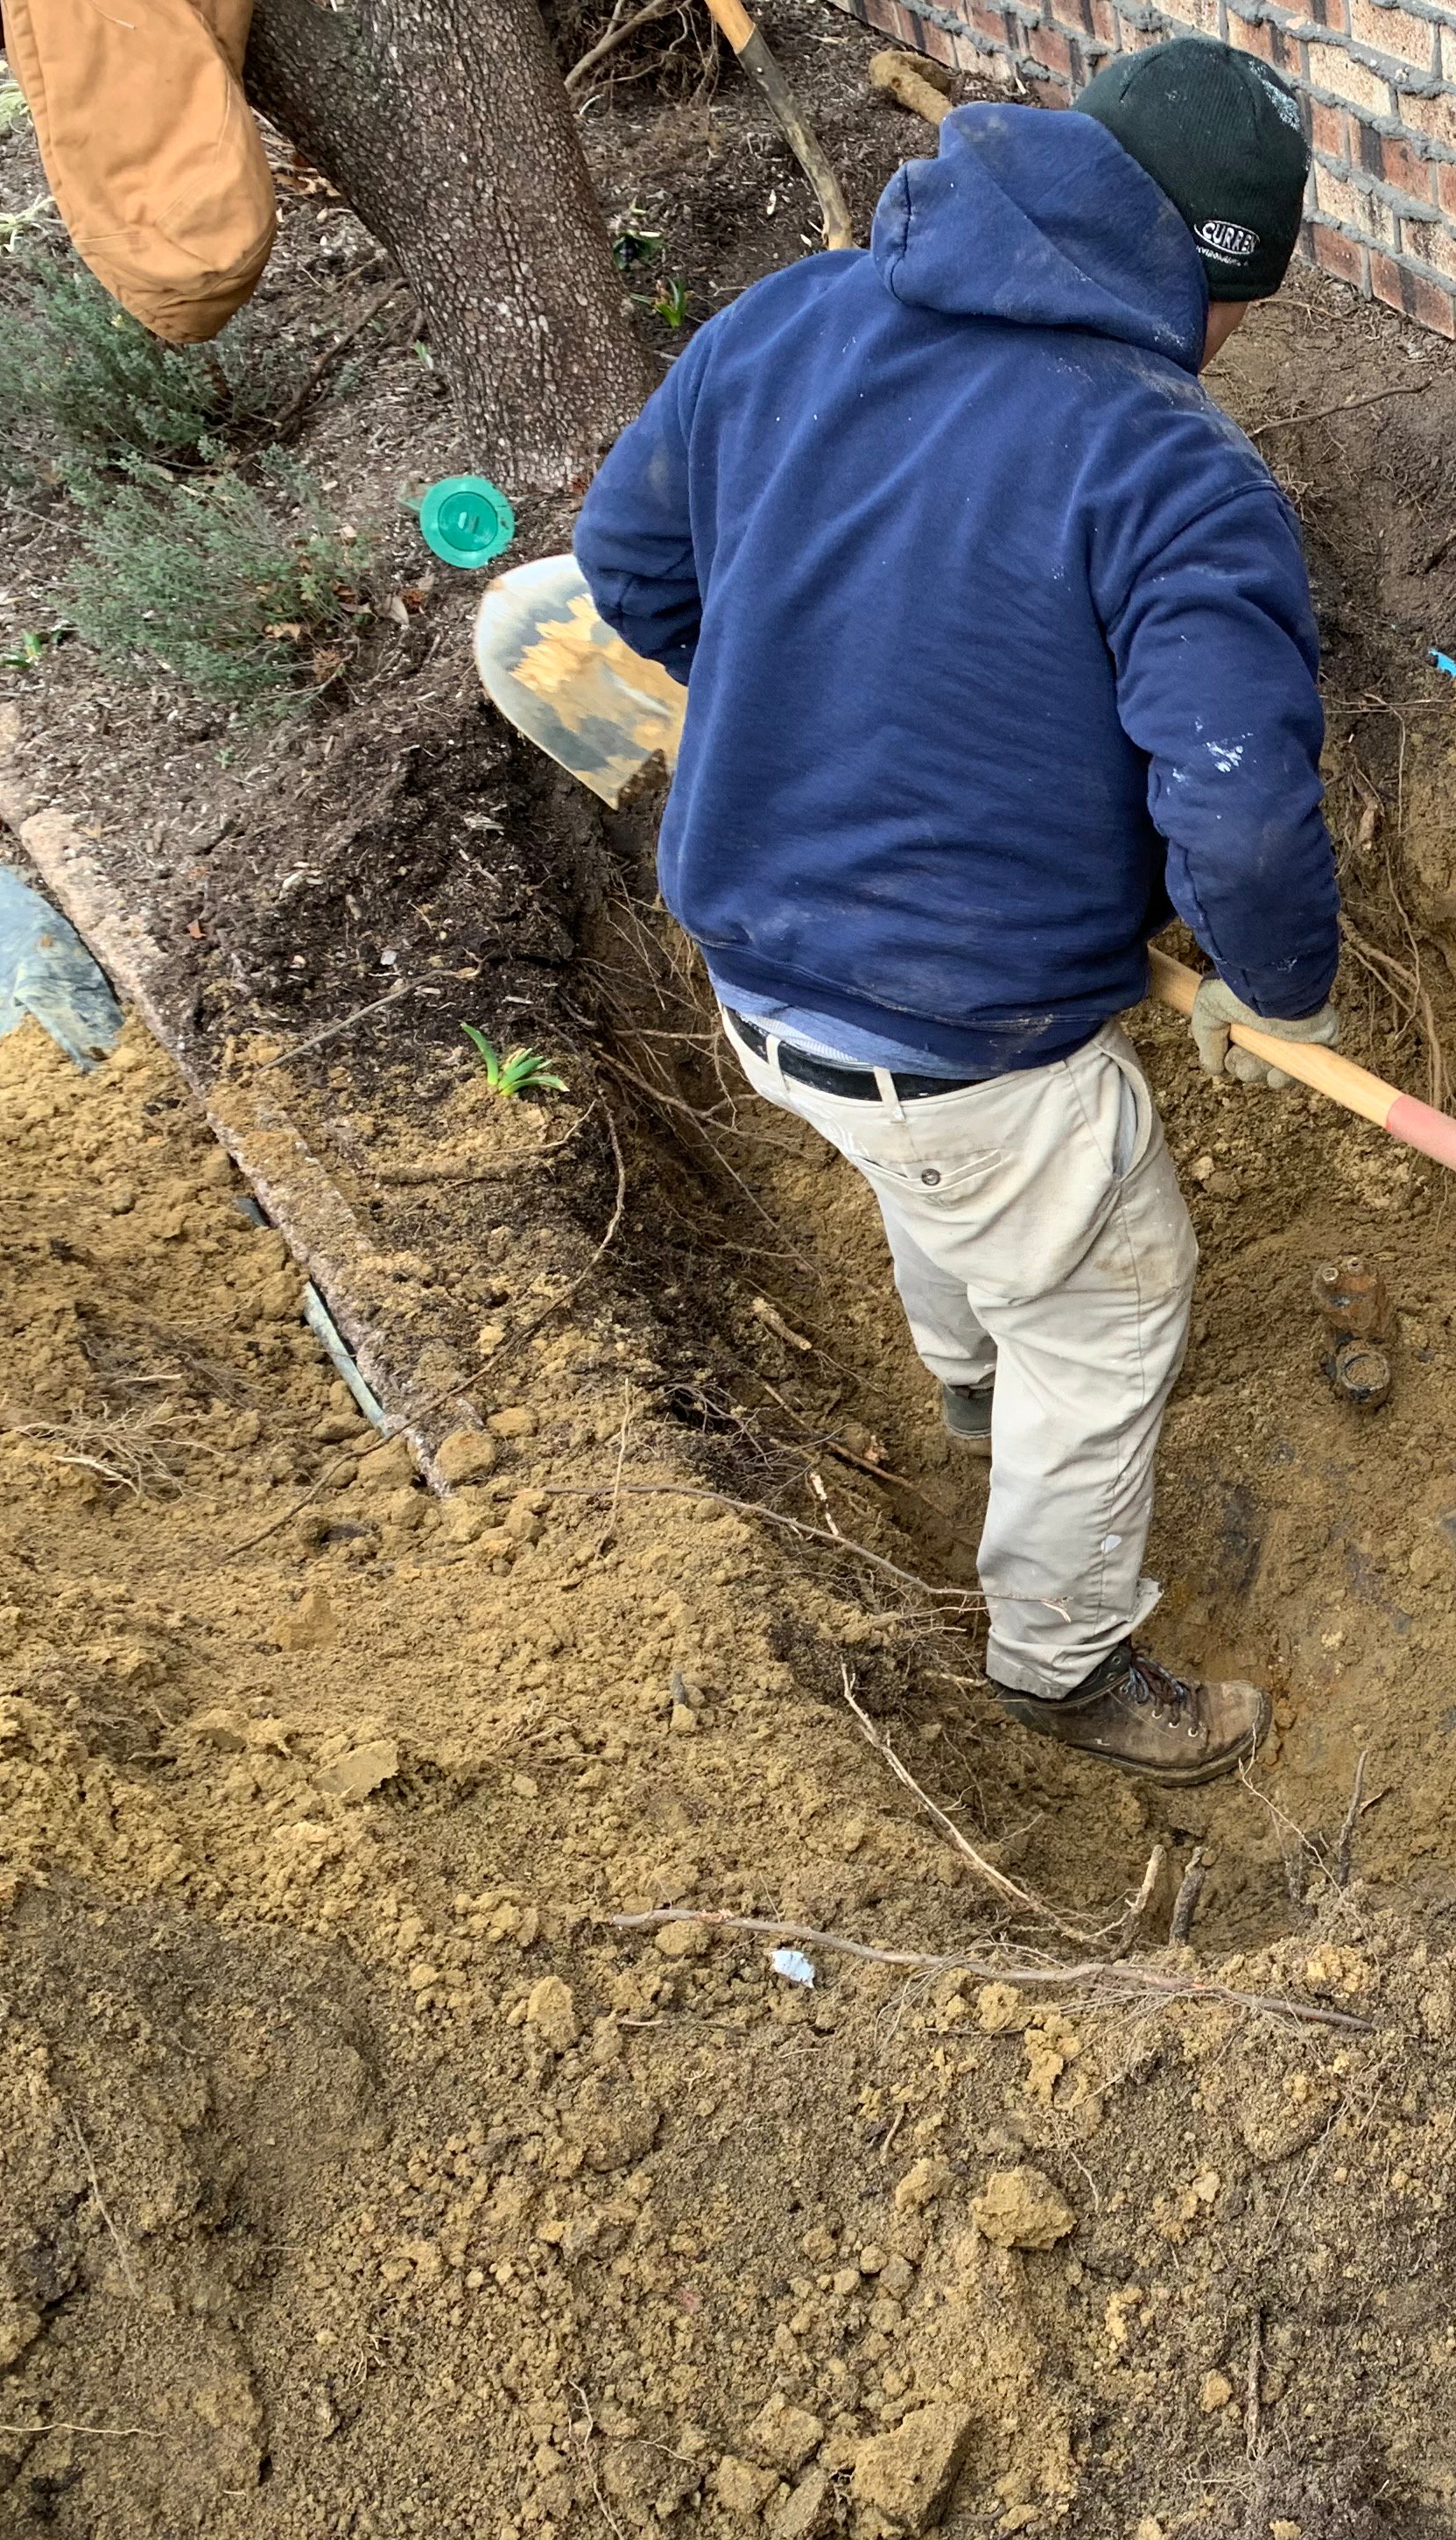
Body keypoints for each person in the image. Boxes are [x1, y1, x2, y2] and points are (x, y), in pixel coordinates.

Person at [573, 38, 1336, 1788]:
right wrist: (1279, 991)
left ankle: (967, 1393)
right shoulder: (1165, 466)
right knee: (1110, 1284)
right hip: (964, 1036)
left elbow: (628, 565)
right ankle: (1066, 1660)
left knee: (931, 1160)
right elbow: (1236, 800)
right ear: (1208, 271)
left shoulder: (793, 320)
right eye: (1244, 309)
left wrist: (806, 705)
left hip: (764, 983)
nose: (1229, 351)